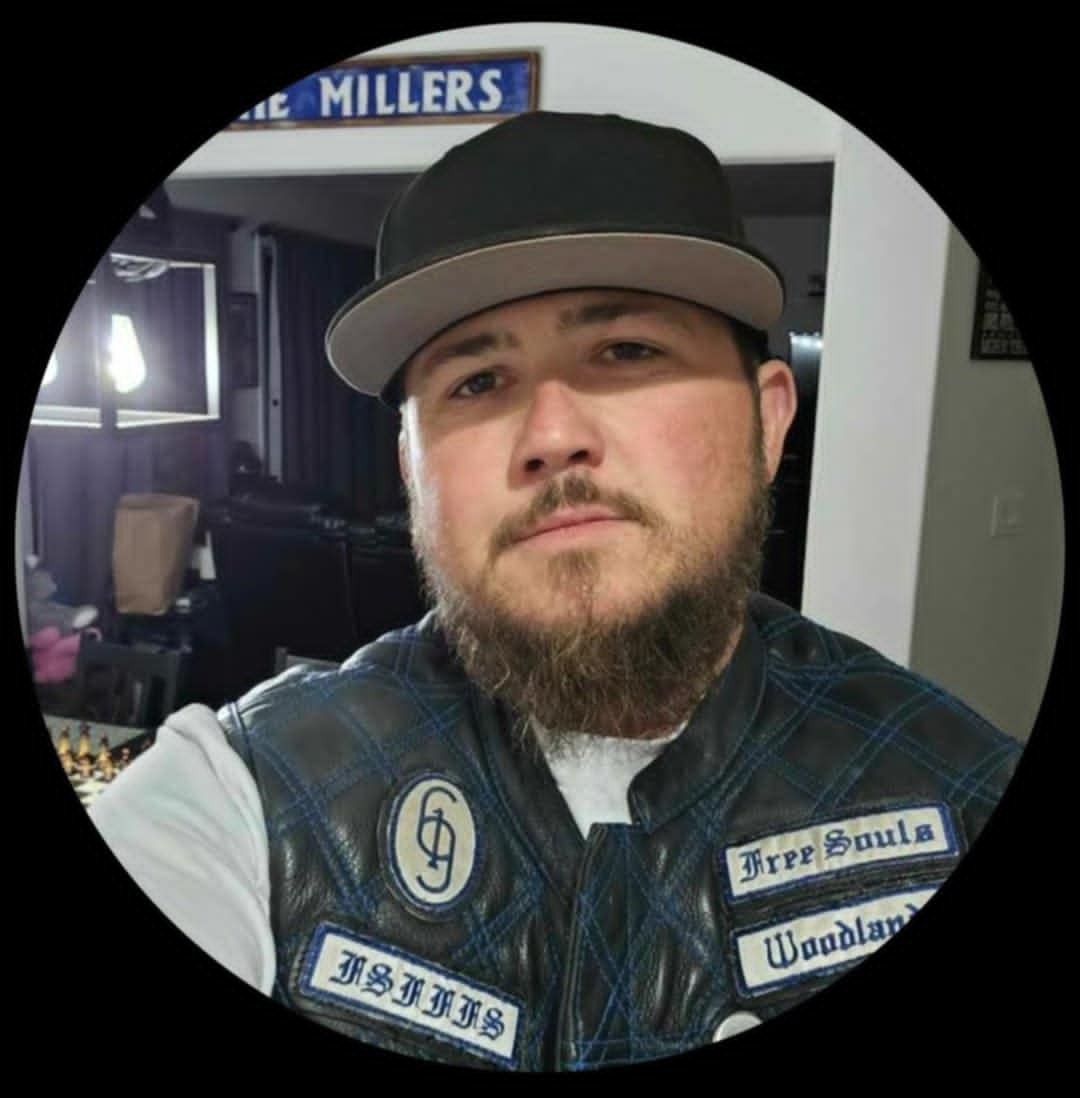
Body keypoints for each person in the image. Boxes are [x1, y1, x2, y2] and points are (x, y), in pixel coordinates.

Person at [89, 111, 1021, 1070]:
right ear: (413, 472)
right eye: (477, 380)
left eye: (627, 351)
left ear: (768, 421)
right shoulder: (244, 800)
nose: (552, 434)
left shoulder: (962, 790)